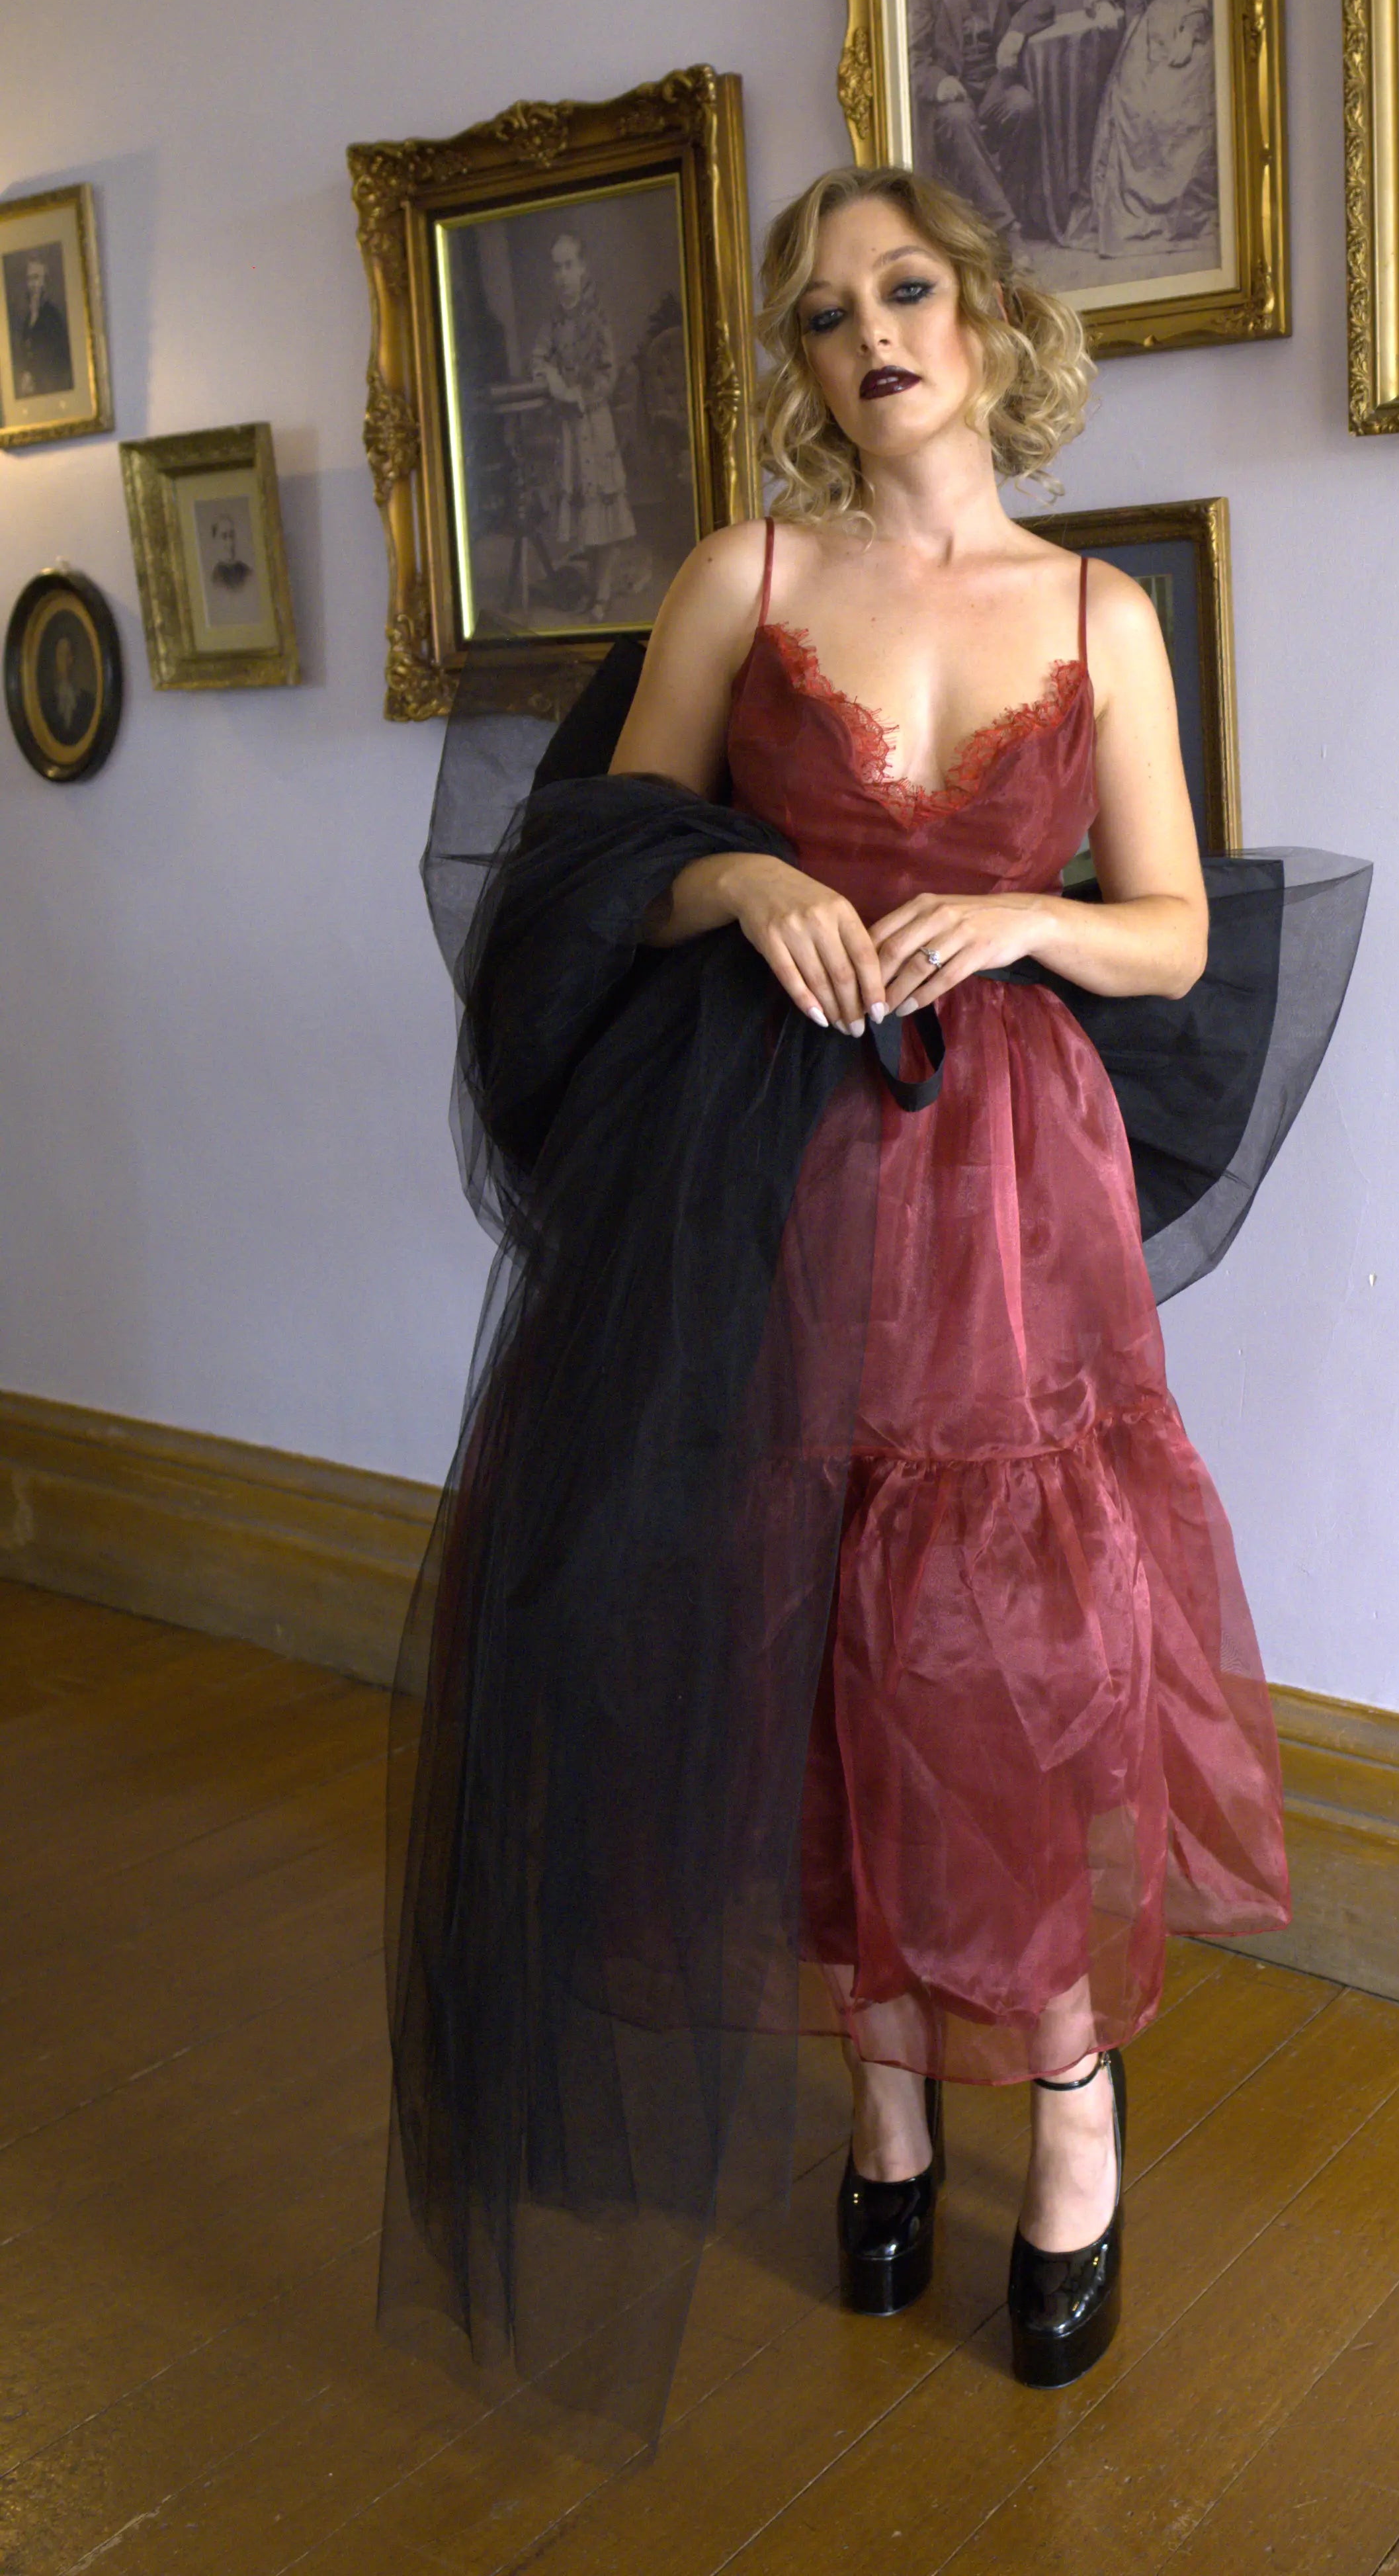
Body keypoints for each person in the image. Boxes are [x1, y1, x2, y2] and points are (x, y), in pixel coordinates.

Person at [383, 163, 1310, 2426]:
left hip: (1005, 1181)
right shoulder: (745, 575)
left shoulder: (1098, 617)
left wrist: (1020, 924)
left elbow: (1179, 930)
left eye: (905, 291)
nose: (868, 334)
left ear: (982, 323)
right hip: (759, 1167)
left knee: (1003, 1648)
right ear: (800, 367)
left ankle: (1069, 2109)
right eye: (823, 313)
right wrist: (734, 876)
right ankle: (887, 2111)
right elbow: (585, 871)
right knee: (786, 1621)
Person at [1080, 0, 1220, 261]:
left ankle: (1183, 217)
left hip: (1194, 25)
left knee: (1185, 97)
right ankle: (1139, 217)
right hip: (1148, 33)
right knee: (1135, 103)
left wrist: (1190, 31)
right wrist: (1101, 6)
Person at [911, 0, 1054, 238]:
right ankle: (1006, 229)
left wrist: (1016, 33)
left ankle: (1011, 212)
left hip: (995, 86)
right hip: (955, 93)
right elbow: (913, 55)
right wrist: (940, 83)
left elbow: (1041, 1)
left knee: (1022, 105)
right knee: (957, 119)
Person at [530, 228, 636, 621]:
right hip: (569, 430)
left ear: (583, 267)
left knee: (602, 510)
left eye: (569, 265)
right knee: (582, 512)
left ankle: (602, 591)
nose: (562, 275)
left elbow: (608, 374)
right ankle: (594, 585)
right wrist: (554, 382)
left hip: (594, 423)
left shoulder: (598, 317)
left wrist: (580, 395)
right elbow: (538, 357)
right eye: (556, 267)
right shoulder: (553, 321)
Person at [13, 253, 73, 396]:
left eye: (36, 278)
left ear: (45, 282)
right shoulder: (28, 320)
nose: (33, 285)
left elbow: (57, 363)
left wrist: (33, 376)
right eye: (29, 279)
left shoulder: (53, 318)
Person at [208, 513, 253, 594]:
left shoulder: (247, 573)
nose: (230, 543)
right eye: (224, 537)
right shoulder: (215, 580)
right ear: (215, 542)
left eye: (231, 536)